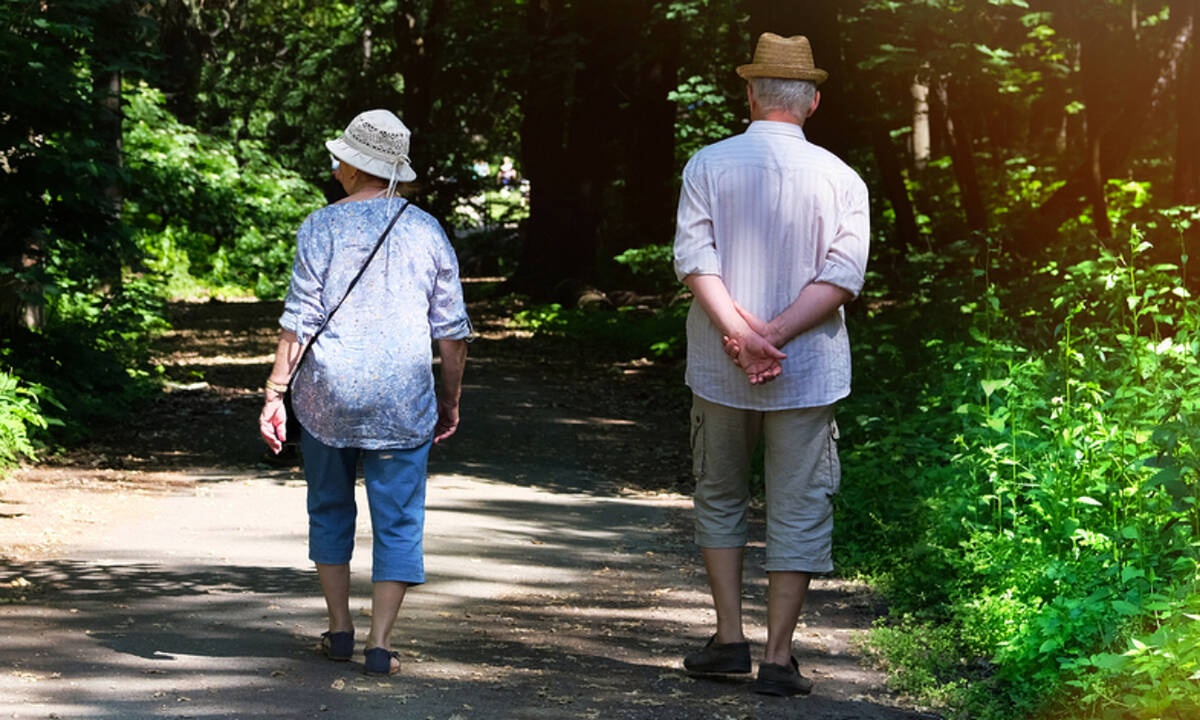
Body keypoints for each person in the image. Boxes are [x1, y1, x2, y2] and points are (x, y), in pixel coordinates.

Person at [672, 33, 869, 697]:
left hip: (721, 365)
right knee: (799, 504)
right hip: (808, 366)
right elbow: (843, 275)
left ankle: (729, 638)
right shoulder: (843, 179)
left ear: (750, 94)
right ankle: (779, 657)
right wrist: (777, 334)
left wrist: (741, 336)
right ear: (812, 101)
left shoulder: (707, 164)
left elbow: (695, 259)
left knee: (721, 492)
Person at [258, 109, 472, 677]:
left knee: (329, 507)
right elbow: (451, 332)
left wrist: (276, 391)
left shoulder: (320, 226)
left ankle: (339, 630)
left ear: (353, 166)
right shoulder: (426, 230)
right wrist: (449, 398)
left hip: (327, 395)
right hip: (403, 399)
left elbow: (299, 319)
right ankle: (380, 644)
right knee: (399, 518)